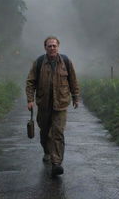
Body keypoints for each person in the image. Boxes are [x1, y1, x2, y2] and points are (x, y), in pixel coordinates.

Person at [26, 36, 79, 176]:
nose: (52, 48)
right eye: (49, 46)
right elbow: (30, 82)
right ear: (45, 48)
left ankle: (56, 163)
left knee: (58, 132)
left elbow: (73, 80)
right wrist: (30, 100)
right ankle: (47, 152)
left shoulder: (66, 62)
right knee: (44, 133)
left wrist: (76, 97)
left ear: (58, 46)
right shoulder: (38, 63)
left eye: (54, 45)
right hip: (43, 105)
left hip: (60, 104)